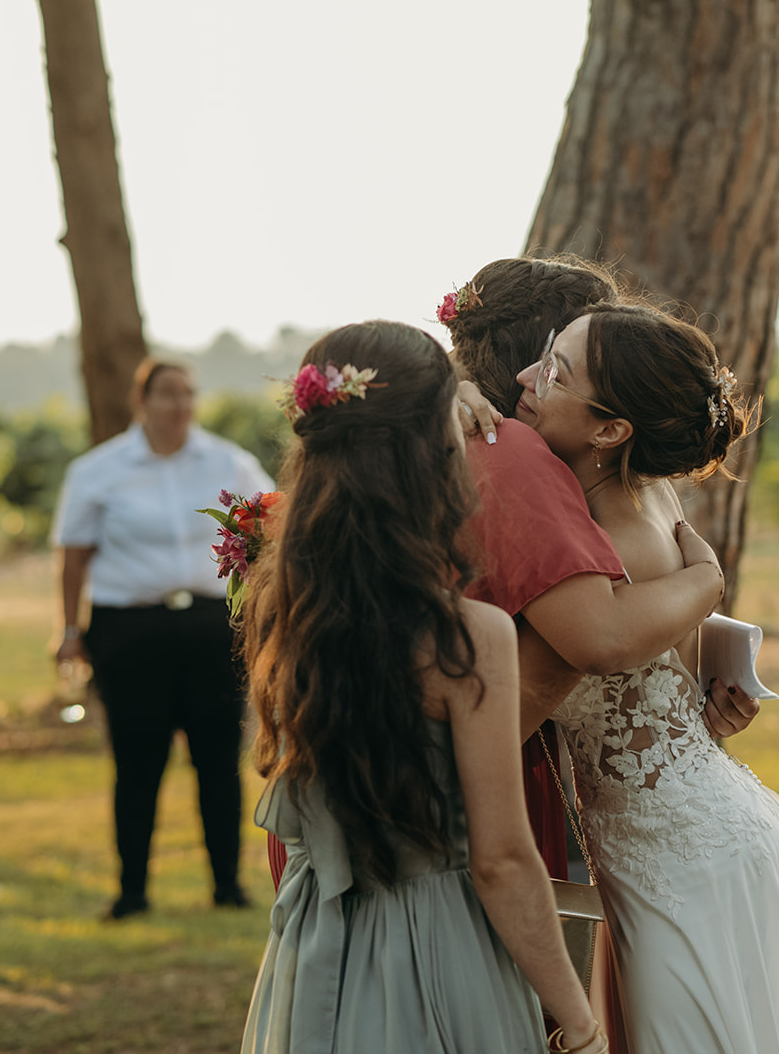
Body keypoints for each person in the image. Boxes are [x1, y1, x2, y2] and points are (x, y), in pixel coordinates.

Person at [517, 305, 779, 1053]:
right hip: (706, 832)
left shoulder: (605, 543)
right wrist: (700, 700)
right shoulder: (646, 493)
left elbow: (609, 643)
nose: (528, 377)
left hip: (688, 867)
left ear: (611, 430)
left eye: (555, 371)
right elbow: (664, 656)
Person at [239, 321, 605, 1054]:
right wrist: (581, 1021)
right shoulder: (464, 639)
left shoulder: (283, 610)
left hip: (314, 951)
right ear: (432, 456)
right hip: (439, 952)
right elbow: (502, 862)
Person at [52, 357, 272, 920]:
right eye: (168, 393)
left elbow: (271, 528)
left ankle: (227, 885)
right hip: (130, 630)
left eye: (188, 393)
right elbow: (73, 558)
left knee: (218, 757)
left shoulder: (228, 461)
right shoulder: (98, 470)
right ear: (141, 401)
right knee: (137, 760)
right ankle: (132, 891)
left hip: (210, 625)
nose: (180, 404)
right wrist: (70, 631)